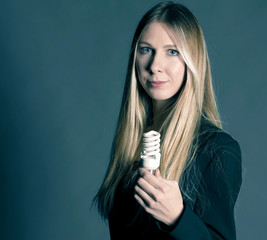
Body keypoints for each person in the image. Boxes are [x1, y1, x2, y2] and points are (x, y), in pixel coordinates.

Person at [93, 1, 242, 239]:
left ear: (192, 62)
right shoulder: (130, 143)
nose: (155, 66)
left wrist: (178, 217)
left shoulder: (216, 150)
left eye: (172, 51)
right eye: (146, 50)